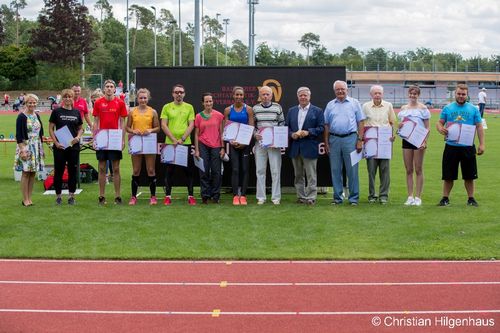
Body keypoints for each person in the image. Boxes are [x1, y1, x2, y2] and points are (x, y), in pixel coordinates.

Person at [436, 84, 485, 207]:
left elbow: (479, 126)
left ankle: (471, 198)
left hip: (468, 146)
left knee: (469, 175)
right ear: (455, 94)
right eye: (459, 94)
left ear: (467, 95)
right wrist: (440, 129)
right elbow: (439, 123)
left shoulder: (473, 109)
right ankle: (445, 198)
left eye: (463, 94)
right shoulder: (448, 108)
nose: (461, 96)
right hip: (451, 146)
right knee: (448, 175)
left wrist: (482, 144)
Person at [323, 80, 365, 205]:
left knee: (352, 170)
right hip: (334, 139)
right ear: (334, 91)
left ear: (347, 90)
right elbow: (326, 125)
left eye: (342, 89)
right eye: (337, 89)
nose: (340, 91)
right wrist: (326, 142)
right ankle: (337, 198)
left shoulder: (354, 103)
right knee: (335, 170)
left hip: (350, 139)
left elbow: (361, 122)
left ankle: (353, 198)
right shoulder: (330, 105)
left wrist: (359, 140)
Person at [285, 87, 324, 205]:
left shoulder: (317, 111)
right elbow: (286, 128)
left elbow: (321, 128)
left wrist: (308, 132)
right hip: (295, 147)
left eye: (305, 95)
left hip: (310, 147)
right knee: (298, 175)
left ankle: (311, 197)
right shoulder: (292, 111)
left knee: (311, 175)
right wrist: (292, 134)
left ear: (309, 97)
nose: (303, 97)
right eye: (301, 95)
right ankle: (301, 196)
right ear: (298, 97)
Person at [92, 79, 128, 205]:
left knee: (116, 168)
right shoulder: (98, 102)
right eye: (107, 86)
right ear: (104, 89)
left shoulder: (120, 103)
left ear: (114, 89)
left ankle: (117, 196)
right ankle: (101, 196)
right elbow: (96, 121)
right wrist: (94, 138)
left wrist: (122, 139)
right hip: (101, 138)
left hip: (114, 138)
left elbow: (123, 122)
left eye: (111, 86)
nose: (109, 88)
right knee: (102, 168)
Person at [161, 84, 197, 205]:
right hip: (170, 144)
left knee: (189, 171)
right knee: (169, 171)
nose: (179, 94)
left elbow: (191, 125)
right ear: (173, 94)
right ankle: (167, 196)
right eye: (176, 92)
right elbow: (163, 125)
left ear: (184, 94)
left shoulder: (189, 107)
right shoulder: (167, 107)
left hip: (185, 143)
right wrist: (173, 139)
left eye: (181, 92)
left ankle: (191, 196)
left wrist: (182, 139)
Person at [362, 85, 396, 204]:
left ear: (382, 94)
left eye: (379, 93)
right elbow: (362, 123)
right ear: (371, 95)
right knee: (371, 170)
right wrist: (361, 138)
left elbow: (391, 122)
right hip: (370, 142)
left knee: (385, 170)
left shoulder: (388, 105)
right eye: (375, 93)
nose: (377, 95)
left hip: (384, 142)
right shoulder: (365, 106)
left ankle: (383, 196)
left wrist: (392, 135)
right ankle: (372, 195)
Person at [48, 89, 83, 205]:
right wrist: (56, 142)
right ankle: (58, 196)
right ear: (62, 98)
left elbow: (80, 128)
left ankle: (71, 196)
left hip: (73, 146)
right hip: (60, 147)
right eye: (65, 97)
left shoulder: (77, 112)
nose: (68, 99)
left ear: (73, 98)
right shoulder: (57, 111)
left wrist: (77, 137)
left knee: (73, 171)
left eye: (70, 97)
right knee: (59, 171)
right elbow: (51, 128)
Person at [126, 88, 160, 205]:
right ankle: (133, 197)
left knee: (151, 170)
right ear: (137, 99)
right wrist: (133, 131)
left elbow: (158, 128)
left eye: (145, 98)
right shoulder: (132, 112)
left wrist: (150, 130)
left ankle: (153, 197)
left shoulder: (153, 112)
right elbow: (127, 128)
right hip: (136, 142)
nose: (143, 100)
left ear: (148, 98)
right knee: (136, 170)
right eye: (141, 98)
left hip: (149, 142)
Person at [397, 85, 431, 206]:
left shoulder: (423, 109)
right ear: (408, 94)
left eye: (415, 94)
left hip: (418, 141)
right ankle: (410, 196)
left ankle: (418, 197)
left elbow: (427, 127)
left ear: (418, 95)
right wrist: (399, 126)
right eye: (411, 93)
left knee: (418, 169)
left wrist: (424, 141)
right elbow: (401, 125)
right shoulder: (403, 108)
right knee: (408, 170)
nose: (413, 96)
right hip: (406, 141)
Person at [253, 85, 285, 205]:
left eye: (268, 94)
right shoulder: (255, 108)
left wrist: (277, 139)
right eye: (263, 94)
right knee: (260, 170)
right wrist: (255, 134)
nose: (265, 96)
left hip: (274, 144)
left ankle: (276, 197)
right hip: (260, 143)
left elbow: (282, 123)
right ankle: (261, 197)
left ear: (272, 95)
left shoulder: (278, 107)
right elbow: (253, 126)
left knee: (275, 170)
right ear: (260, 96)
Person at [223, 86, 254, 205]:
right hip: (233, 144)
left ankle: (244, 196)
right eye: (237, 95)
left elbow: (251, 128)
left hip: (245, 144)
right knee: (235, 169)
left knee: (245, 169)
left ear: (243, 96)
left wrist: (243, 143)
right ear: (233, 95)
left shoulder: (249, 109)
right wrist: (231, 141)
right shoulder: (228, 110)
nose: (239, 97)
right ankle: (236, 195)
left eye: (241, 95)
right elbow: (226, 129)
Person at [194, 93, 225, 204]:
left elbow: (222, 133)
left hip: (216, 146)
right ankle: (205, 195)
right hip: (203, 145)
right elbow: (196, 134)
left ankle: (216, 196)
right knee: (204, 171)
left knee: (216, 172)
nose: (208, 103)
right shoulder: (198, 116)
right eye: (206, 101)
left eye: (210, 101)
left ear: (213, 102)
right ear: (203, 103)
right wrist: (197, 150)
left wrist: (222, 147)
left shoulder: (219, 115)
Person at [15, 93, 45, 206]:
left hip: (36, 146)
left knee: (33, 173)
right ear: (26, 103)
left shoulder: (37, 115)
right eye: (29, 102)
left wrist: (41, 148)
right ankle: (25, 199)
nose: (32, 104)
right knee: (26, 173)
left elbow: (40, 133)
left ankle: (30, 198)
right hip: (26, 146)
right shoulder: (21, 117)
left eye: (34, 102)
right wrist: (22, 150)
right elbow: (18, 135)